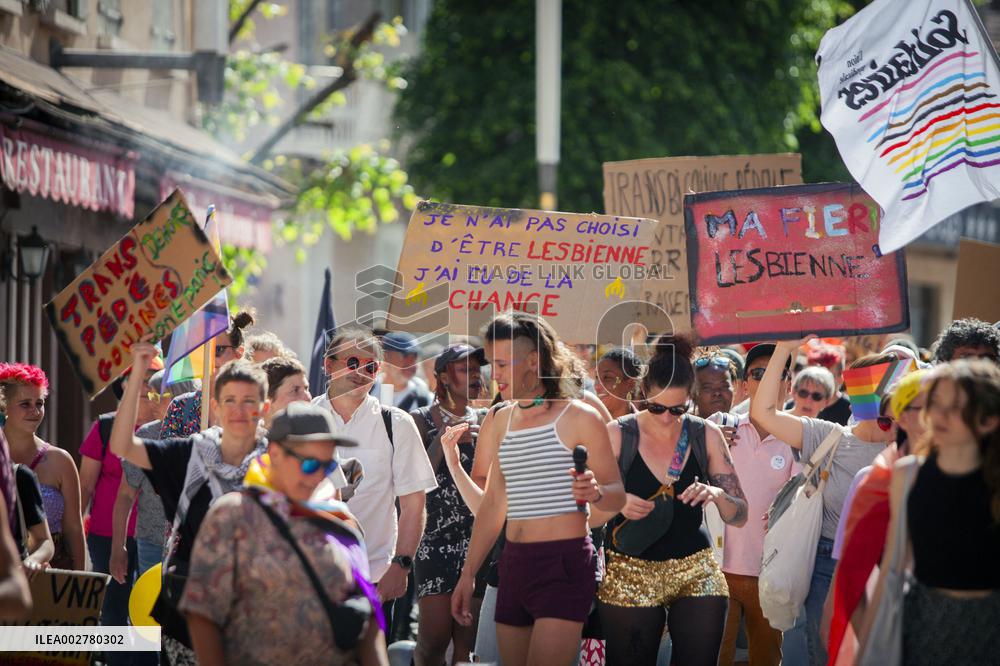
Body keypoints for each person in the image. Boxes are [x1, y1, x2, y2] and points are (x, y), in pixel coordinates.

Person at [451, 312, 625, 666]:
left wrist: (595, 493)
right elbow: (494, 504)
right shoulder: (500, 419)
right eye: (492, 364)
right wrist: (468, 574)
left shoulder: (580, 416)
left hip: (564, 564)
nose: (492, 374)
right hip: (513, 564)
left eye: (501, 364)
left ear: (534, 361)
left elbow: (617, 495)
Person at [181, 402, 388, 666]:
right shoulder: (234, 516)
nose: (317, 478)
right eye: (310, 464)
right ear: (276, 453)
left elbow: (366, 618)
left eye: (326, 468)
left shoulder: (341, 521)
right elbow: (203, 615)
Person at [109, 342, 270, 666]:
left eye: (249, 402)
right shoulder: (190, 455)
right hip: (189, 608)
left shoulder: (279, 462)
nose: (239, 411)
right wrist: (138, 370)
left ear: (264, 408)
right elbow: (123, 444)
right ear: (216, 406)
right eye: (230, 401)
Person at [591, 334, 747, 666]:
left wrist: (717, 494)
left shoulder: (705, 433)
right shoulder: (618, 434)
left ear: (691, 398)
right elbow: (585, 516)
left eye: (677, 409)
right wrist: (616, 502)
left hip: (696, 568)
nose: (665, 418)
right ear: (644, 392)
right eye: (657, 407)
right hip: (629, 570)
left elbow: (740, 514)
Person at [750, 338, 898, 666]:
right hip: (827, 564)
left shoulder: (910, 445)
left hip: (887, 565)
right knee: (826, 653)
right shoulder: (829, 437)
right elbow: (763, 413)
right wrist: (784, 350)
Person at [866, 359, 1000, 664]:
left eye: (955, 407)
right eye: (936, 403)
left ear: (989, 420)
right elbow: (891, 569)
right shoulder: (907, 475)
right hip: (925, 622)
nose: (939, 415)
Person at [311, 326, 437, 639]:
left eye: (371, 366)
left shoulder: (397, 423)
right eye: (352, 362)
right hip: (310, 575)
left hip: (375, 576)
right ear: (329, 364)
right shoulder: (303, 418)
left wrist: (402, 564)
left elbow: (413, 503)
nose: (361, 372)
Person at [714, 344, 795, 666]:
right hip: (719, 571)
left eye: (778, 373)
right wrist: (707, 441)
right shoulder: (720, 426)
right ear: (745, 385)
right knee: (716, 656)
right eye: (758, 373)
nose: (768, 380)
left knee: (766, 658)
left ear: (788, 383)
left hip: (771, 573)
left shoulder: (802, 436)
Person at [411, 344, 488, 666]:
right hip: (435, 540)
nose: (473, 376)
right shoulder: (418, 419)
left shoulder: (486, 420)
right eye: (463, 369)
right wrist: (441, 440)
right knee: (434, 638)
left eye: (476, 369)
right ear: (442, 377)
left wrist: (484, 438)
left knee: (467, 643)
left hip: (479, 539)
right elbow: (414, 478)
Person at [111, 375, 201, 586]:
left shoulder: (204, 434)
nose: (151, 401)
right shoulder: (146, 434)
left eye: (159, 395)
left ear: (183, 395)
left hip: (192, 543)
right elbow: (125, 494)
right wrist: (118, 546)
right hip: (150, 541)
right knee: (148, 611)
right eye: (150, 394)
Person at [0, 363, 85, 570]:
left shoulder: (60, 460)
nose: (35, 411)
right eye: (25, 404)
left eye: (40, 403)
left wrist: (80, 585)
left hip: (52, 574)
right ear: (4, 406)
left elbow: (74, 528)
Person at [160, 311, 256, 439]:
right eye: (201, 351)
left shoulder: (253, 406)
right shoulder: (179, 407)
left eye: (217, 350)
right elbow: (163, 457)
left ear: (239, 353)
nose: (208, 359)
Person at [379, 331, 433, 411]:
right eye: (405, 356)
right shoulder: (366, 390)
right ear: (386, 357)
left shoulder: (425, 400)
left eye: (415, 356)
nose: (411, 364)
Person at [807, 344, 852, 426]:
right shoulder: (797, 404)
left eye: (826, 376)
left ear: (840, 377)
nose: (818, 382)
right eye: (814, 375)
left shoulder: (852, 411)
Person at [260, 357, 313, 426]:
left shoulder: (321, 434)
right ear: (268, 398)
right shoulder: (247, 436)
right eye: (295, 390)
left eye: (306, 389)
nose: (307, 397)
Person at [595, 347, 643, 419]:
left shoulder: (645, 427)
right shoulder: (584, 425)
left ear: (630, 384)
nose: (597, 386)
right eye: (597, 378)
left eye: (607, 378)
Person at [693, 352, 739, 419]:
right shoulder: (681, 428)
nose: (717, 393)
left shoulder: (748, 426)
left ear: (734, 389)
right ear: (693, 395)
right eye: (707, 388)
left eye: (724, 386)